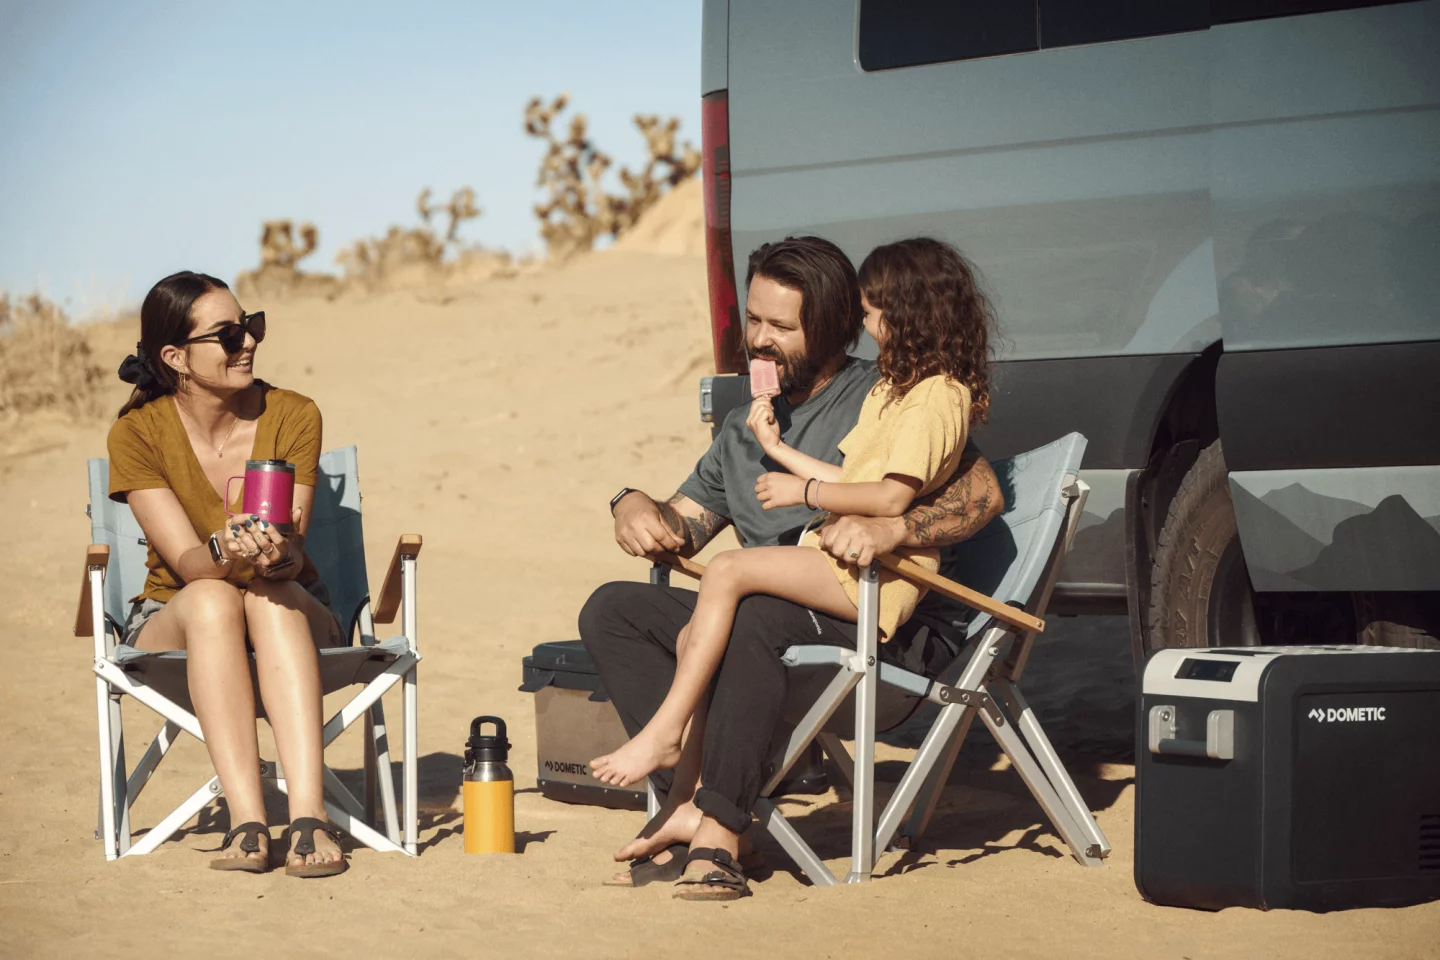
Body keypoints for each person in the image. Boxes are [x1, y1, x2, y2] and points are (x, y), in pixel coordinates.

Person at [580, 237, 1004, 900]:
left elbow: (981, 491)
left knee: (753, 611)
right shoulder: (743, 429)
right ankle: (691, 796)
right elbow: (684, 525)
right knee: (615, 609)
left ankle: (719, 834)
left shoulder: (887, 392)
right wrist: (631, 503)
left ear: (835, 326)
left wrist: (894, 528)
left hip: (874, 633)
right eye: (753, 319)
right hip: (767, 622)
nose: (760, 340)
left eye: (781, 326)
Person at [107, 271, 346, 878]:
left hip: (287, 606)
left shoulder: (293, 414)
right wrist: (224, 548)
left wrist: (279, 555)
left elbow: (293, 551)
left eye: (251, 326)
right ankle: (247, 820)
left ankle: (309, 815)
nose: (249, 343)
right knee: (214, 596)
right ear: (175, 357)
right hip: (182, 615)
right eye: (229, 334)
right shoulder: (137, 433)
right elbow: (189, 564)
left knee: (267, 593)